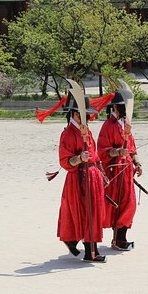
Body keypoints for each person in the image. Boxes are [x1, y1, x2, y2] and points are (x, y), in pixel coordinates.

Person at [57, 96, 108, 262]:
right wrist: (79, 158)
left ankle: (77, 243)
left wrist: (102, 173)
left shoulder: (87, 131)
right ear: (76, 114)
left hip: (93, 175)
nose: (88, 117)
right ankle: (90, 252)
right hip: (78, 177)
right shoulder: (68, 134)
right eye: (85, 114)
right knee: (85, 212)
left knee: (94, 211)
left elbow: (96, 156)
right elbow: (65, 161)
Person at [97, 91, 143, 251]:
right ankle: (117, 239)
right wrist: (117, 152)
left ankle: (121, 237)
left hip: (127, 171)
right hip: (114, 172)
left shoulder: (127, 125)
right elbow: (102, 150)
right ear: (115, 107)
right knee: (114, 205)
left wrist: (137, 163)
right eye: (123, 107)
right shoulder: (107, 126)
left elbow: (132, 148)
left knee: (129, 204)